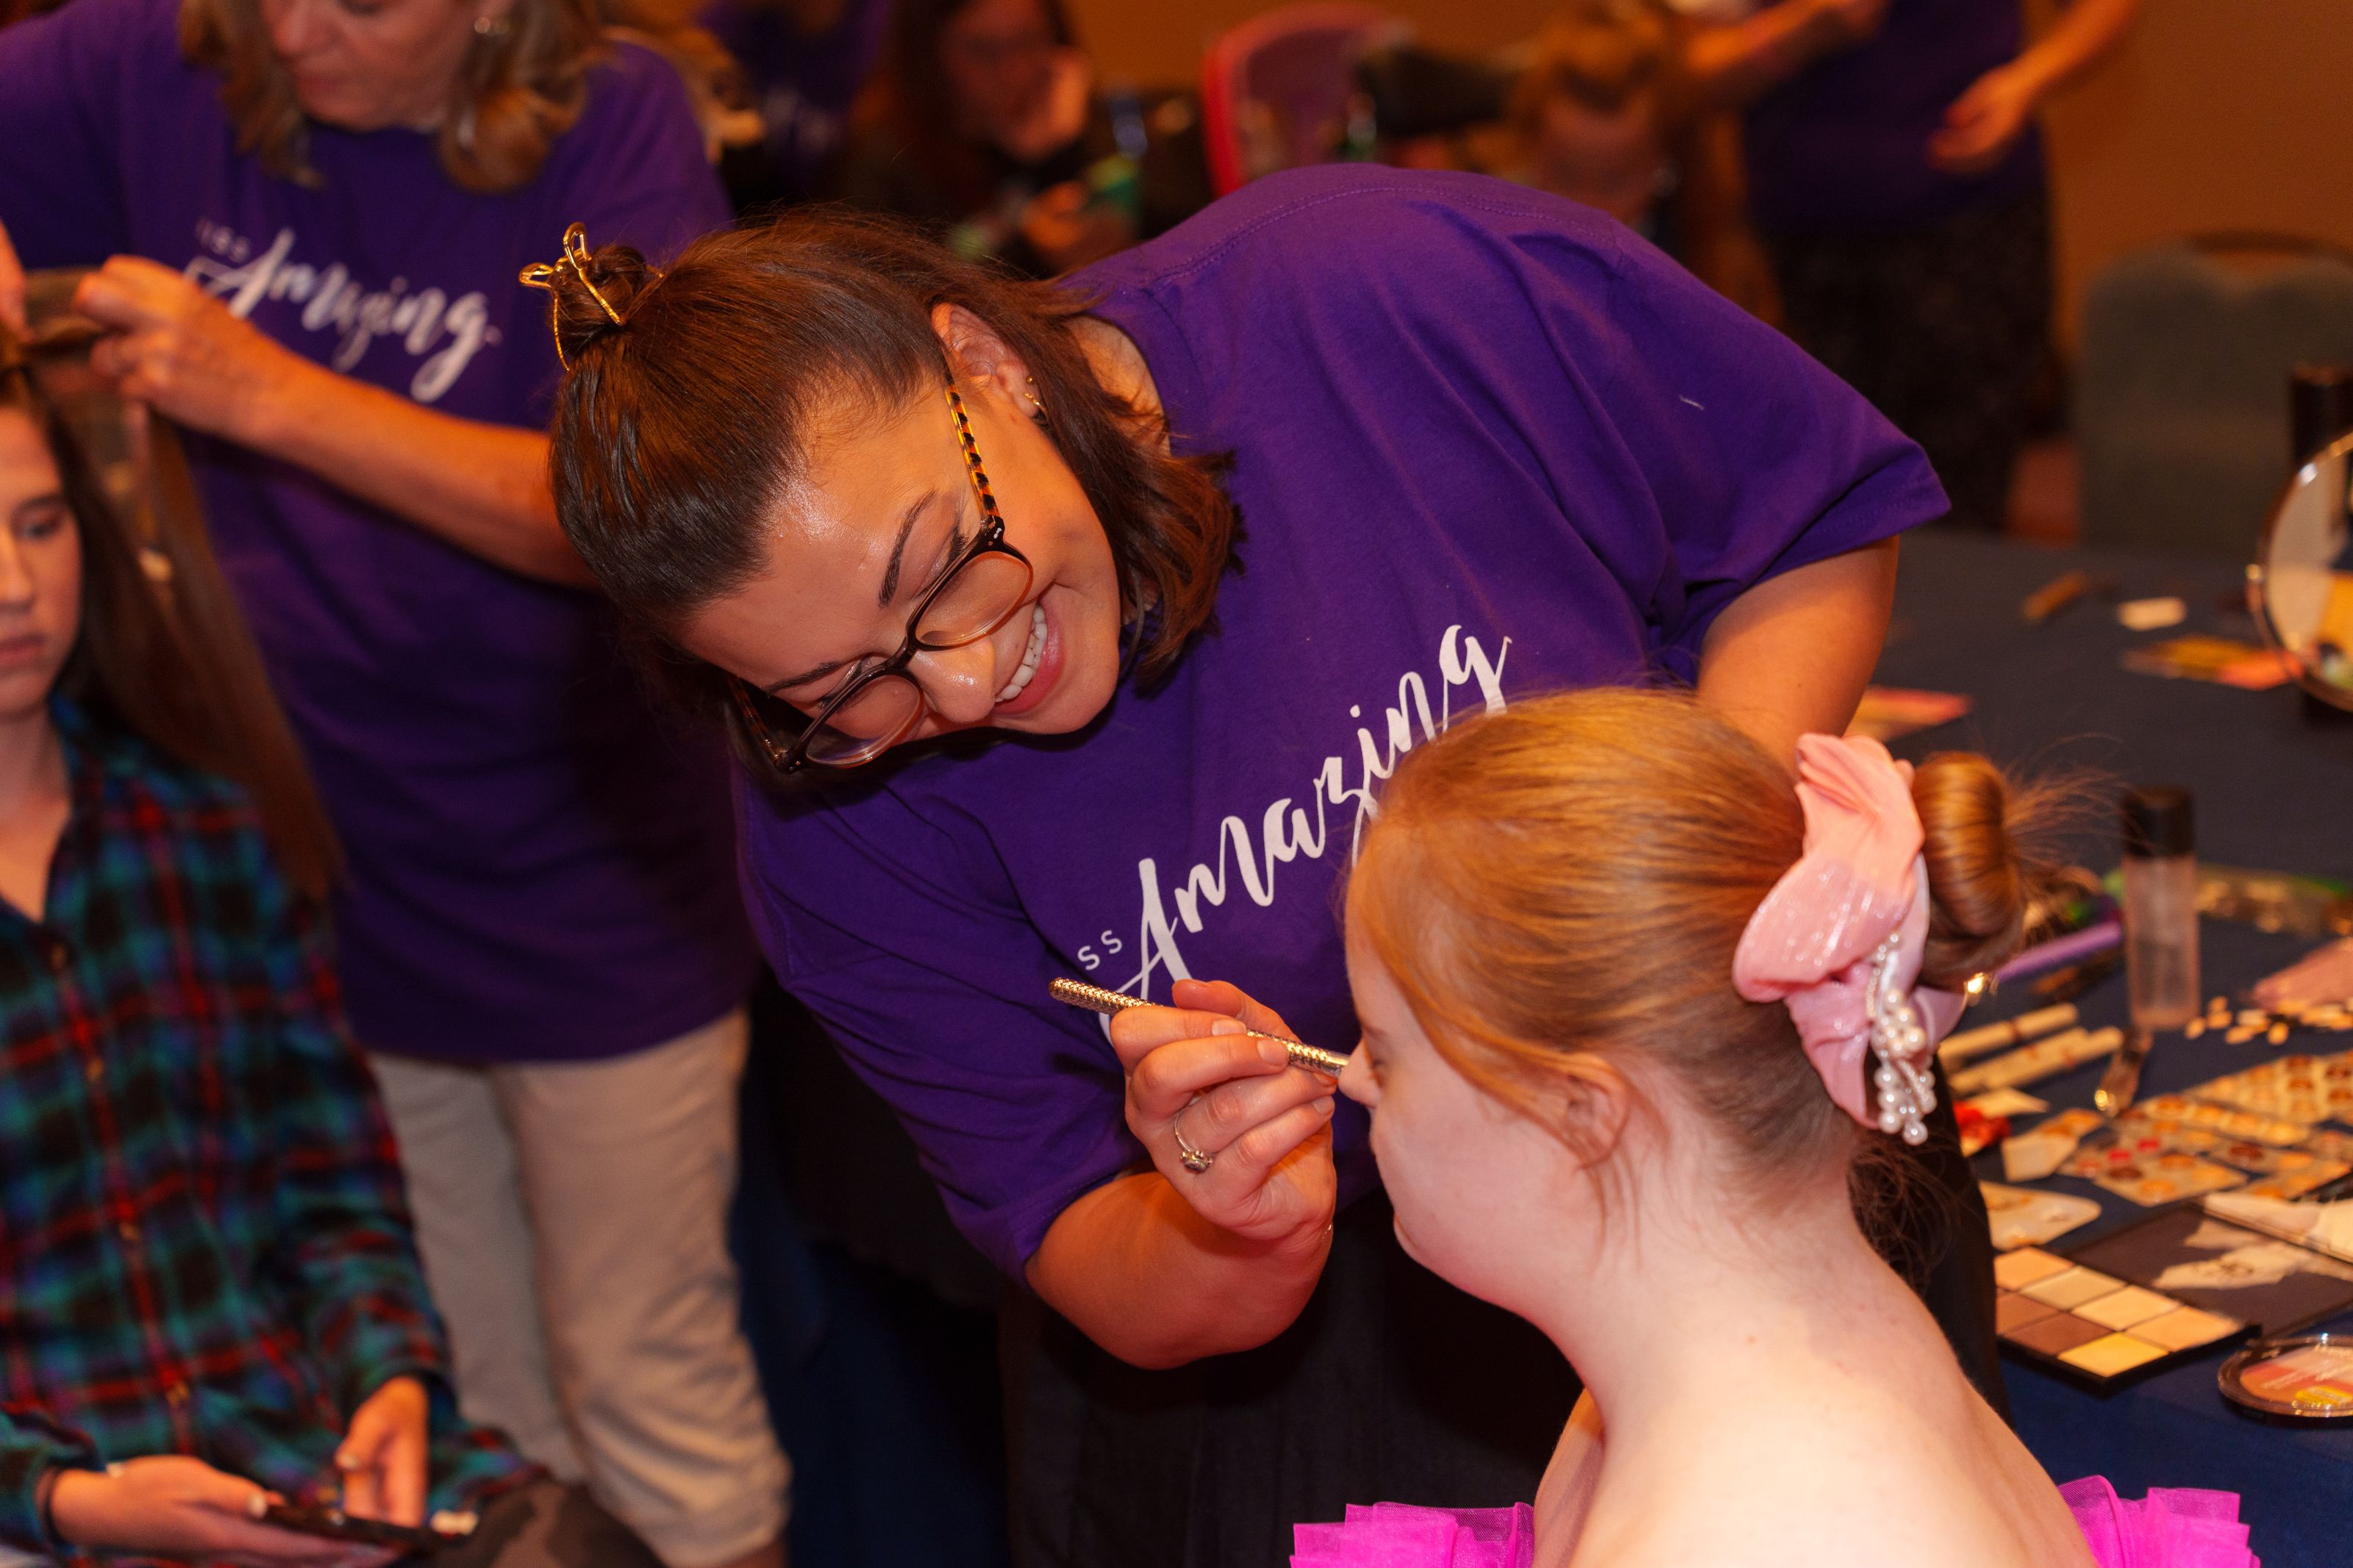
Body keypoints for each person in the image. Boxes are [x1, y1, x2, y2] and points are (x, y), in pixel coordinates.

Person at [529, 164, 1984, 1568]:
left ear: (983, 365)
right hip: (1344, 1356)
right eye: (847, 688)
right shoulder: (827, 827)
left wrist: (1666, 902)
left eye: (942, 571)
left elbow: (1800, 524)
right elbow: (1093, 1250)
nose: (964, 687)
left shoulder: (1379, 294)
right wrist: (1228, 1226)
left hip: (1730, 1184)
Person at [0, 4, 784, 1566]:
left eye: (358, 0)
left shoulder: (613, 128)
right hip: (319, 874)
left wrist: (263, 389)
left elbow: (637, 508)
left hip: (588, 870)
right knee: (465, 1409)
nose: (292, 30)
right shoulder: (144, 66)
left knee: (653, 1390)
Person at [1300, 688, 2256, 1568]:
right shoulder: (1719, 1361)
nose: (1349, 1079)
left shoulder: (1759, 1522)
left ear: (1578, 1112)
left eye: (1383, 1049)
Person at [0, 330, 667, 1568]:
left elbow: (335, 1189)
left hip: (287, 1443)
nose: (11, 582)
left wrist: (390, 1379)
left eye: (41, 524)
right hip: (45, 1498)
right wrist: (67, 1497)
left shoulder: (206, 827)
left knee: (583, 1548)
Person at [1677, 0, 2140, 531]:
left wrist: (2025, 84)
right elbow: (1682, 76)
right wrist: (1801, 31)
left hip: (1972, 231)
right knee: (1814, 513)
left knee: (1959, 511)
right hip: (1802, 247)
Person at [829, 0, 1206, 276]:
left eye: (1029, 41)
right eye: (982, 50)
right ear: (929, 53)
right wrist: (1029, 246)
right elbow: (884, 302)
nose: (1013, 73)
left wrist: (1066, 153)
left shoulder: (1085, 120)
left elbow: (1187, 216)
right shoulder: (883, 162)